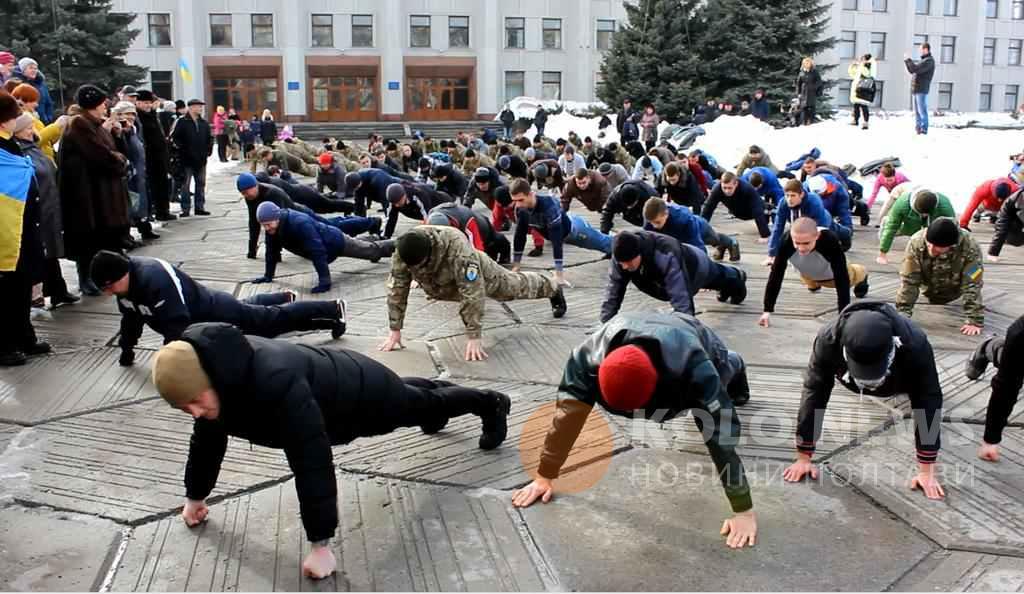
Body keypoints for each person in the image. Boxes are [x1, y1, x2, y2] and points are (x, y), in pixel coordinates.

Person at [152, 322, 513, 579]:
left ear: (212, 380)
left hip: (359, 396)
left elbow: (312, 462)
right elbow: (206, 444)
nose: (195, 413)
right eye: (185, 408)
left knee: (418, 405)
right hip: (333, 387)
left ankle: (490, 402)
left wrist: (320, 546)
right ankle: (434, 398)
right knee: (415, 399)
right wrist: (195, 497)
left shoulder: (274, 383)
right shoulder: (216, 380)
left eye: (196, 401)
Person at [511, 311, 756, 548]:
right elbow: (567, 418)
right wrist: (544, 476)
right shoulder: (585, 360)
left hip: (693, 338)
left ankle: (736, 362)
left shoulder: (695, 367)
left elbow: (721, 434)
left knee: (724, 374)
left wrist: (743, 510)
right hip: (636, 329)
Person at [783, 301, 945, 500]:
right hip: (848, 377)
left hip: (900, 378)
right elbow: (814, 392)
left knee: (925, 394)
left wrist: (926, 471)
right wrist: (803, 456)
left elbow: (928, 399)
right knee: (816, 388)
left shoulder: (915, 343)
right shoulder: (828, 340)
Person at [90, 250, 347, 362]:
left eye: (109, 286)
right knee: (255, 313)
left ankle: (332, 309)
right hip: (204, 315)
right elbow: (131, 318)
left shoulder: (154, 279)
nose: (109, 293)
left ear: (121, 274)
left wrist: (172, 366)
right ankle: (283, 297)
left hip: (216, 312)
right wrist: (127, 350)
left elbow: (175, 329)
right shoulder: (123, 287)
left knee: (270, 322)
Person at [380, 225, 567, 361]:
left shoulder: (457, 248)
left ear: (429, 253)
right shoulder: (403, 250)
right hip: (442, 284)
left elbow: (472, 292)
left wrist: (474, 336)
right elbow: (397, 288)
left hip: (483, 273)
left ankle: (552, 287)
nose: (415, 270)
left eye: (419, 265)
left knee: (511, 288)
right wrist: (395, 330)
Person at [58, 84, 133, 296]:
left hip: (97, 192)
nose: (105, 107)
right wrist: (120, 160)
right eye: (102, 104)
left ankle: (96, 277)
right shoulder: (80, 124)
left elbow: (111, 152)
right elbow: (102, 156)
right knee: (87, 238)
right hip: (85, 194)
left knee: (98, 237)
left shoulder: (94, 125)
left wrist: (117, 137)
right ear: (93, 105)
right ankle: (86, 278)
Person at [0, 93, 51, 366]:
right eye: (14, 115)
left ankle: (24, 337)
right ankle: (5, 345)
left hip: (23, 225)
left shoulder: (10, 143)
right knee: (6, 290)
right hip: (6, 229)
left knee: (21, 285)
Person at [602, 230, 747, 322]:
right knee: (717, 278)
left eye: (628, 262)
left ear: (638, 253)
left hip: (696, 266)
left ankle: (737, 276)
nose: (625, 267)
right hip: (663, 279)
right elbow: (613, 292)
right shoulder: (621, 256)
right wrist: (605, 325)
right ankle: (731, 278)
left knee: (718, 277)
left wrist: (686, 331)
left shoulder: (665, 254)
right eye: (621, 263)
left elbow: (681, 296)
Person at [11, 112, 77, 308]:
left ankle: (57, 290)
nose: (32, 131)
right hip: (37, 208)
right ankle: (37, 294)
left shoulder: (33, 147)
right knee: (39, 251)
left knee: (50, 249)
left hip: (49, 205)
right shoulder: (17, 152)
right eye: (28, 128)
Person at [253, 202, 394, 293]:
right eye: (263, 225)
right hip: (327, 245)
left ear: (277, 218)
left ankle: (397, 244)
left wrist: (325, 281)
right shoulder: (272, 230)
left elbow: (317, 250)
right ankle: (376, 238)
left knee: (371, 251)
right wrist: (268, 276)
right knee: (361, 244)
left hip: (336, 243)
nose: (267, 228)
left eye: (268, 224)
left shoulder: (299, 223)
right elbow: (271, 251)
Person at [760, 218, 868, 328]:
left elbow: (841, 277)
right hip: (807, 274)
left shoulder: (829, 240)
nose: (801, 248)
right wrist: (767, 310)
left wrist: (843, 315)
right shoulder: (786, 241)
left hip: (832, 277)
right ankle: (813, 284)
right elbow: (776, 275)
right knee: (810, 281)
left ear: (817, 236)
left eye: (806, 243)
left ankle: (862, 273)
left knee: (854, 274)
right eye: (797, 243)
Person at [510, 179, 612, 281]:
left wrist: (559, 275)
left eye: (520, 200)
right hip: (561, 227)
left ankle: (620, 246)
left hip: (575, 230)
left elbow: (556, 241)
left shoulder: (548, 206)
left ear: (531, 194)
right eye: (514, 201)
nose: (517, 205)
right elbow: (520, 235)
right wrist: (516, 266)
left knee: (604, 243)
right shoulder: (521, 209)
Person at [896, 218, 984, 336]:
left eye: (937, 247)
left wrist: (974, 320)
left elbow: (972, 283)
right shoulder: (916, 242)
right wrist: (902, 314)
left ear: (952, 245)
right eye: (929, 244)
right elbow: (909, 280)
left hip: (955, 291)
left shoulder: (970, 247)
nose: (931, 249)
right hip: (927, 289)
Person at [964, 315, 1024, 462]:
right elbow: (1006, 388)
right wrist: (991, 440)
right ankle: (989, 346)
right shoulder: (1020, 334)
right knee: (1012, 367)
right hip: (1017, 347)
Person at [764, 179, 838, 267]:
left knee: (838, 234)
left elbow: (820, 231)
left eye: (793, 195)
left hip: (822, 220)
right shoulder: (783, 203)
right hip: (799, 222)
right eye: (787, 195)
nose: (789, 199)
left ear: (801, 194)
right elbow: (777, 228)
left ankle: (846, 233)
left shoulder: (814, 202)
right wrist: (772, 254)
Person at [877, 186, 956, 265]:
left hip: (932, 222)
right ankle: (886, 222)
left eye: (925, 214)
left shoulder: (944, 205)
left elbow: (953, 228)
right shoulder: (902, 203)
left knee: (936, 234)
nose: (924, 215)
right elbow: (892, 227)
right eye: (922, 213)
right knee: (896, 228)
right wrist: (882, 254)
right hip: (909, 223)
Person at [644, 197, 739, 261]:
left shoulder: (684, 220)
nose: (654, 226)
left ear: (666, 214)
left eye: (657, 222)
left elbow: (698, 247)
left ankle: (731, 242)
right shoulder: (650, 220)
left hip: (699, 227)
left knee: (714, 239)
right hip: (675, 235)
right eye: (651, 223)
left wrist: (705, 275)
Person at [135, 90, 176, 222]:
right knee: (152, 186)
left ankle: (163, 210)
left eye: (149, 103)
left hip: (160, 156)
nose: (148, 105)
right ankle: (154, 211)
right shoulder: (138, 117)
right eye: (145, 103)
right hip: (149, 157)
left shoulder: (153, 115)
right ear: (138, 103)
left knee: (162, 184)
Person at [427, 201, 511, 263]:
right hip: (460, 225)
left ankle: (505, 256)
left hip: (482, 228)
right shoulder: (430, 218)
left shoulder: (467, 220)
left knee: (493, 245)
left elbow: (477, 247)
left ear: (450, 224)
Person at [169, 98, 213, 217]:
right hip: (186, 159)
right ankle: (185, 208)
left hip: (201, 159)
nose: (200, 108)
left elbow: (209, 138)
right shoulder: (182, 121)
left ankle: (199, 207)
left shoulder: (203, 123)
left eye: (201, 106)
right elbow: (174, 137)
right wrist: (181, 149)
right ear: (191, 107)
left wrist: (208, 151)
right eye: (198, 106)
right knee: (185, 185)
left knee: (201, 183)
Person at [700, 172, 772, 241]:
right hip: (736, 211)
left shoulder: (747, 188)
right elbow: (708, 208)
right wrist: (700, 230)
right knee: (709, 207)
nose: (727, 191)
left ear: (736, 184)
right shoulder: (717, 189)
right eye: (724, 188)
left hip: (751, 210)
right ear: (721, 184)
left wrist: (764, 235)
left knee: (761, 210)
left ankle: (769, 208)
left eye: (729, 188)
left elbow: (757, 210)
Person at [383, 182, 447, 239]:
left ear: (404, 195)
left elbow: (427, 215)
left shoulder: (417, 194)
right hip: (419, 210)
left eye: (398, 202)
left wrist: (428, 236)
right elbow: (390, 219)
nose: (397, 205)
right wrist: (385, 236)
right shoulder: (394, 200)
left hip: (442, 203)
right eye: (394, 203)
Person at [904, 43, 935, 135]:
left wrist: (908, 60)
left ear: (926, 49)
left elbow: (916, 69)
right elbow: (912, 70)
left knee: (922, 110)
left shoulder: (929, 61)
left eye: (921, 49)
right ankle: (918, 128)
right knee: (917, 111)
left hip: (922, 88)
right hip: (917, 88)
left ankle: (923, 129)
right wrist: (907, 61)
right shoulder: (923, 60)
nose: (919, 51)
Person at [11, 58, 53, 124]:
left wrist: (49, 118)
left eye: (35, 68)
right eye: (30, 68)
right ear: (23, 70)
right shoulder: (17, 84)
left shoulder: (41, 84)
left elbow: (48, 103)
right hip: (26, 122)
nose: (34, 70)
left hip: (44, 121)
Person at [988, 187, 1024, 261]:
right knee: (1014, 240)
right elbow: (1001, 228)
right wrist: (993, 253)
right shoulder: (1013, 201)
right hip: (1013, 222)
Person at [848, 54, 877, 129]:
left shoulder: (869, 65)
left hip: (864, 88)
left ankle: (865, 122)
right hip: (858, 88)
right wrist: (852, 66)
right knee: (856, 106)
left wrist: (861, 65)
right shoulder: (862, 66)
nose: (861, 60)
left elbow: (867, 74)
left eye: (862, 59)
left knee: (864, 106)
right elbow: (853, 74)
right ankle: (855, 120)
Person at [795, 57, 822, 126]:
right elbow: (798, 83)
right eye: (805, 63)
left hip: (811, 93)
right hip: (803, 93)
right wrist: (798, 93)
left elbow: (819, 81)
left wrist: (814, 87)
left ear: (810, 64)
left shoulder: (814, 72)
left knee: (811, 109)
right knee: (804, 109)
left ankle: (811, 123)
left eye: (808, 63)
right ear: (803, 64)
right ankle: (804, 123)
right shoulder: (801, 72)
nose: (807, 64)